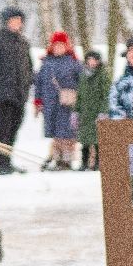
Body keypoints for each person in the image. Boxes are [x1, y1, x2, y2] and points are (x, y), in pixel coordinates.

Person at [0, 7, 34, 175]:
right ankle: (0, 163)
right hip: (1, 94)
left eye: (20, 20)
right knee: (1, 130)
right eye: (14, 19)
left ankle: (6, 159)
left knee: (14, 128)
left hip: (19, 95)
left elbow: (29, 67)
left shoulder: (23, 43)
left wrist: (28, 84)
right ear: (6, 21)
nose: (17, 23)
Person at [33, 31, 82, 171]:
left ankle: (67, 160)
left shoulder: (74, 62)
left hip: (67, 104)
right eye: (56, 45)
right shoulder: (45, 63)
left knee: (67, 133)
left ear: (67, 46)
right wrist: (38, 101)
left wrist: (79, 100)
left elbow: (81, 83)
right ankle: (57, 158)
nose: (59, 48)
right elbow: (39, 83)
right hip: (50, 104)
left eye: (61, 45)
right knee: (55, 134)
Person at [75, 50, 110, 171]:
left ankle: (97, 163)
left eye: (94, 60)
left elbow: (106, 95)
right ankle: (84, 162)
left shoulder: (103, 75)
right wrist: (76, 111)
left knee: (97, 140)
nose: (92, 62)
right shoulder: (83, 76)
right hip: (85, 113)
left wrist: (103, 111)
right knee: (84, 140)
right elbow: (79, 95)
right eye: (89, 59)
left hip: (97, 112)